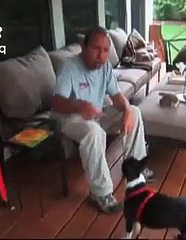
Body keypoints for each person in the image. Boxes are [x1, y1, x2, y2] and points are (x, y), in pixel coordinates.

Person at [51, 26, 155, 214]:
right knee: (93, 131)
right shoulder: (69, 67)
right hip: (69, 118)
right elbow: (57, 103)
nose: (101, 56)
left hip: (96, 114)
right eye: (96, 49)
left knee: (135, 112)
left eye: (105, 50)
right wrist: (80, 106)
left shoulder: (105, 67)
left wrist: (126, 110)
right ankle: (101, 193)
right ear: (84, 47)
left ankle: (136, 167)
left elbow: (116, 96)